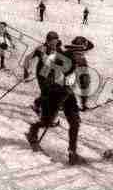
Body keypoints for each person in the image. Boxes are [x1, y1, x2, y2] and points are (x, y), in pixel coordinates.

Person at [25, 36, 93, 165]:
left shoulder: (68, 56)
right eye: (81, 51)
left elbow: (83, 81)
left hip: (67, 93)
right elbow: (47, 72)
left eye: (82, 52)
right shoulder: (69, 58)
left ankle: (72, 152)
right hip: (56, 92)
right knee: (50, 120)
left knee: (74, 122)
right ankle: (33, 131)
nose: (82, 54)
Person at [23, 31, 61, 114]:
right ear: (48, 40)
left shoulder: (58, 49)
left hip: (52, 74)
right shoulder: (41, 49)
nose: (54, 43)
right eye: (53, 41)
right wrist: (26, 71)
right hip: (42, 74)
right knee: (47, 93)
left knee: (49, 93)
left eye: (56, 41)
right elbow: (27, 58)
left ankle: (37, 104)